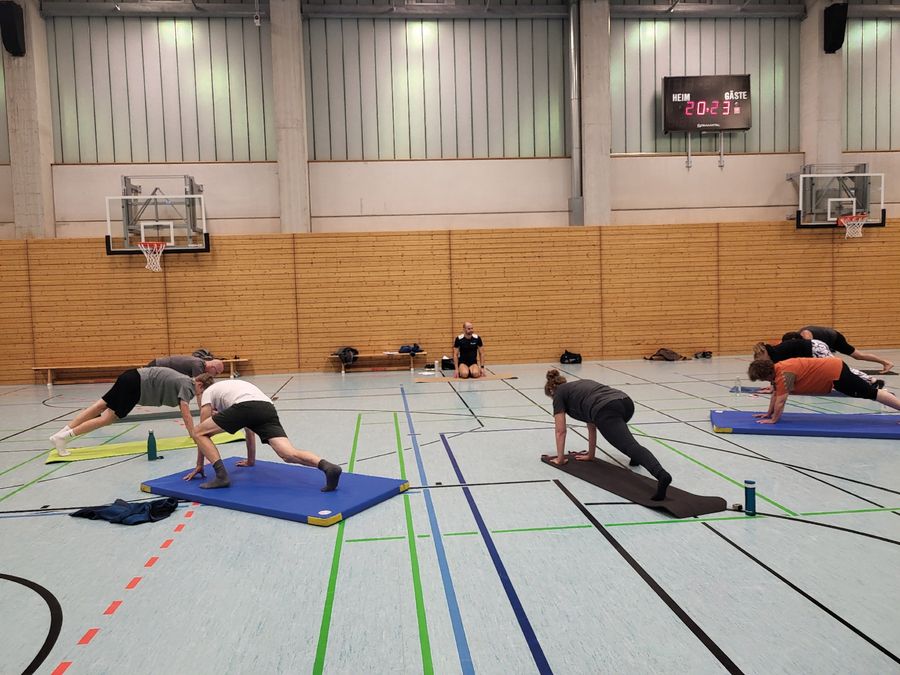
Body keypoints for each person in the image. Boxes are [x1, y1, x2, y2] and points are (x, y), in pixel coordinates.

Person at [184, 374, 342, 492]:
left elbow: (202, 431)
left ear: (200, 385)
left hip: (246, 406)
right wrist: (250, 460)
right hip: (267, 407)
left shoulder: (208, 392)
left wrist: (200, 465)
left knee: (197, 432)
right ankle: (327, 467)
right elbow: (249, 431)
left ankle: (221, 476)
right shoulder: (229, 390)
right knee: (288, 453)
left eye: (196, 391)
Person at [543, 369, 672, 501]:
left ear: (551, 391)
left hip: (606, 409)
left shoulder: (558, 394)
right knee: (624, 438)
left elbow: (560, 431)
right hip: (625, 402)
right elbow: (591, 426)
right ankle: (636, 458)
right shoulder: (579, 386)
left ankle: (661, 475)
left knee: (628, 445)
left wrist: (560, 459)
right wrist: (591, 455)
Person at [49, 367, 199, 456]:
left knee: (99, 406)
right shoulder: (187, 385)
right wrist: (193, 434)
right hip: (136, 386)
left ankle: (59, 434)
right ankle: (64, 437)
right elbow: (185, 413)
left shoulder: (186, 379)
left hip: (130, 375)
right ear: (200, 384)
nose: (200, 394)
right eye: (202, 390)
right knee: (107, 419)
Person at [747, 357, 900, 424]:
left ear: (767, 374)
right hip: (834, 369)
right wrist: (768, 413)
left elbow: (781, 401)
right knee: (868, 392)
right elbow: (775, 393)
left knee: (870, 393)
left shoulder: (784, 375)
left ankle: (888, 397)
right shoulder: (778, 368)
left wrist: (774, 420)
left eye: (763, 379)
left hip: (836, 373)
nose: (765, 382)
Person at [752, 337, 883, 388]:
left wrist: (773, 388)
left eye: (760, 358)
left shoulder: (776, 354)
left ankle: (871, 380)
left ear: (763, 352)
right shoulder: (772, 352)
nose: (762, 361)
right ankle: (869, 380)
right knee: (839, 370)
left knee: (840, 370)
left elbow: (778, 374)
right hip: (814, 346)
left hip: (815, 348)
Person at [798, 325, 893, 374]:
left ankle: (886, 363)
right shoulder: (801, 335)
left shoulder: (805, 335)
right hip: (827, 338)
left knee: (858, 356)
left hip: (835, 338)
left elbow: (812, 349)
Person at [147, 355, 224, 378]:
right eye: (216, 373)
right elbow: (198, 384)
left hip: (157, 364)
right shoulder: (198, 365)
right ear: (212, 367)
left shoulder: (199, 363)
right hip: (156, 366)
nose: (215, 375)